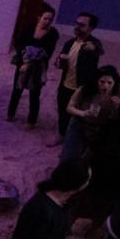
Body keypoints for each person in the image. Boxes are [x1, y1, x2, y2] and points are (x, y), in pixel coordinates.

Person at [67, 93, 120, 230]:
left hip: (99, 162)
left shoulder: (111, 123)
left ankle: (69, 225)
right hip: (118, 166)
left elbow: (96, 143)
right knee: (109, 199)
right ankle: (94, 228)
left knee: (87, 193)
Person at [50, 12, 102, 145]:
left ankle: (74, 140)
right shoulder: (69, 43)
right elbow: (61, 61)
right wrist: (58, 61)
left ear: (90, 28)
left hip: (81, 87)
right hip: (65, 84)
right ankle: (62, 134)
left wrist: (93, 48)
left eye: (82, 25)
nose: (77, 27)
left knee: (79, 115)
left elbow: (99, 50)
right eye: (76, 23)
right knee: (62, 110)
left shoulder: (93, 43)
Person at [7, 3, 59, 127]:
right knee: (17, 90)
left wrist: (31, 59)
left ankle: (31, 120)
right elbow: (19, 43)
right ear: (39, 18)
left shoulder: (53, 33)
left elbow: (47, 52)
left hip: (38, 68)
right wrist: (24, 57)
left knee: (35, 93)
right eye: (45, 18)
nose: (47, 21)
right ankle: (10, 114)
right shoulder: (29, 28)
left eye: (50, 19)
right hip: (23, 65)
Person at [59, 65, 120, 163]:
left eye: (109, 83)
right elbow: (69, 107)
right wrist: (82, 113)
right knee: (68, 157)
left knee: (91, 160)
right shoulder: (84, 90)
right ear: (96, 81)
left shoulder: (118, 94)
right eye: (102, 82)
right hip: (80, 124)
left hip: (100, 129)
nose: (105, 86)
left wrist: (118, 107)